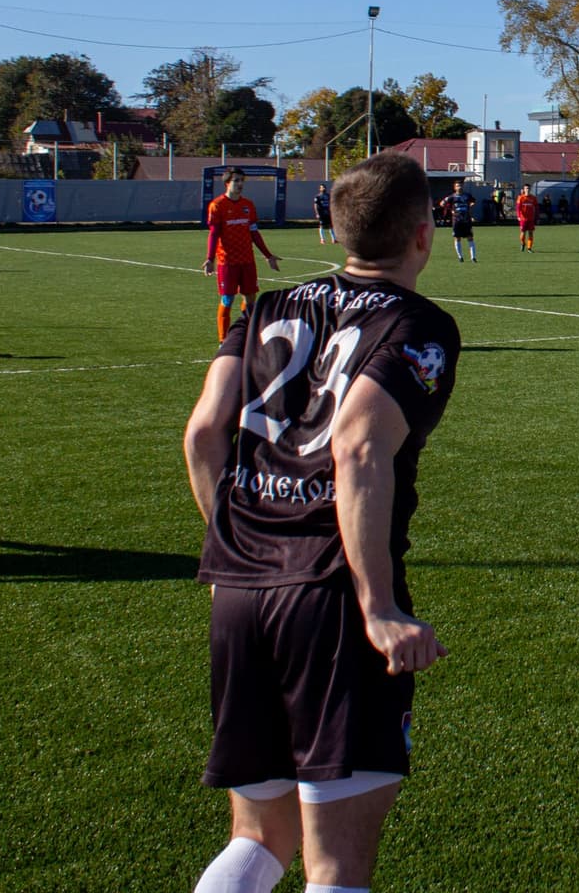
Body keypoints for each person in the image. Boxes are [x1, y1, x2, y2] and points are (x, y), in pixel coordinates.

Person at [182, 152, 459, 893]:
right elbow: (360, 445)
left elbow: (204, 434)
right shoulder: (418, 323)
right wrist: (379, 607)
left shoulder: (265, 308)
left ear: (336, 230)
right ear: (423, 236)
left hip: (241, 593)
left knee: (261, 836)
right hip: (329, 602)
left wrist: (231, 549)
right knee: (334, 864)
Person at [205, 170, 283, 342]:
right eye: (236, 181)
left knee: (250, 300)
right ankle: (223, 340)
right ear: (227, 183)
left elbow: (254, 233)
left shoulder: (248, 205)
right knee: (227, 299)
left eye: (242, 181)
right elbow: (214, 234)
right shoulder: (217, 205)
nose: (240, 184)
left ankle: (246, 335)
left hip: (247, 260)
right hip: (227, 262)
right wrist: (210, 259)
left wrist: (268, 255)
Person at [441, 180, 476, 263]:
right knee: (457, 238)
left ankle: (473, 258)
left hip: (466, 219)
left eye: (460, 185)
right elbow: (442, 203)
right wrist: (450, 209)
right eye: (457, 186)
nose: (459, 187)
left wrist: (470, 207)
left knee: (470, 237)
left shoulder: (467, 195)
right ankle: (460, 257)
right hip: (457, 220)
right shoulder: (452, 197)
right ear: (455, 187)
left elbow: (473, 201)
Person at [514, 186, 539, 252]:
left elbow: (536, 207)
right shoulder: (521, 197)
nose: (527, 189)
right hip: (523, 218)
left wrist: (536, 216)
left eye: (528, 188)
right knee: (523, 233)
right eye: (526, 188)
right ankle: (522, 243)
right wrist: (518, 216)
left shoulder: (533, 198)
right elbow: (518, 208)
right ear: (524, 189)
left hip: (531, 218)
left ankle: (529, 248)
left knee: (530, 233)